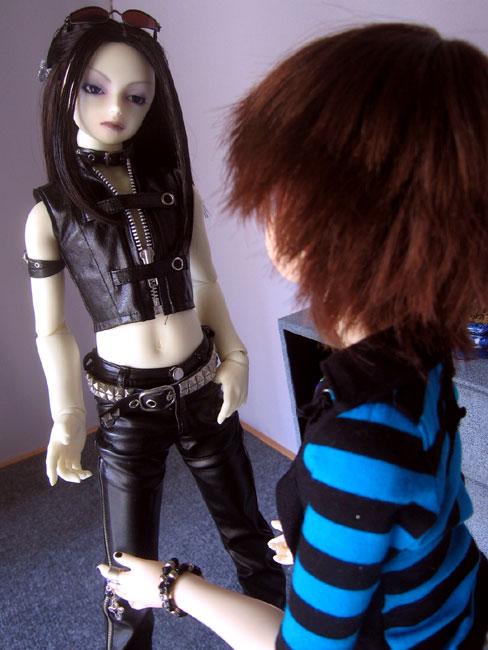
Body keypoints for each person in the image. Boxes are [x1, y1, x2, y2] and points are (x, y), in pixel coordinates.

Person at [99, 22, 488, 649]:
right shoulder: (421, 349)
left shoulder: (356, 445)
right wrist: (334, 534)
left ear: (333, 222)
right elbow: (433, 501)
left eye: (279, 192)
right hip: (453, 604)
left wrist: (171, 587)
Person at [25, 7, 285, 650]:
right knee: (126, 571)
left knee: (251, 537)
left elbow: (206, 282)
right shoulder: (51, 214)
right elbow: (51, 331)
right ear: (62, 88)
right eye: (95, 88)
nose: (116, 108)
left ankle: (287, 639)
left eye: (137, 96)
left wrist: (236, 353)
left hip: (202, 386)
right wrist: (66, 416)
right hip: (126, 408)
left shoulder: (175, 188)